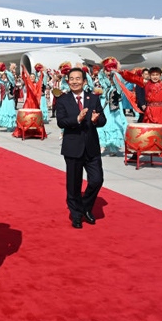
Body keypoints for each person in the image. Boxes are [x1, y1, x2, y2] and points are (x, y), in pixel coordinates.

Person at [55, 67, 107, 229]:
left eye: (78, 79)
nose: (75, 81)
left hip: (91, 147)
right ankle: (76, 215)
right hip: (73, 147)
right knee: (73, 185)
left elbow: (103, 120)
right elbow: (61, 122)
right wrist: (77, 118)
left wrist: (96, 120)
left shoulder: (93, 98)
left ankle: (85, 206)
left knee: (97, 180)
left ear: (84, 81)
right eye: (72, 79)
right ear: (68, 81)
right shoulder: (62, 100)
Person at [121, 65, 162, 169]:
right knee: (144, 133)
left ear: (160, 75)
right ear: (149, 75)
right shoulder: (145, 83)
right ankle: (135, 156)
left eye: (157, 75)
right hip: (149, 111)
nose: (155, 77)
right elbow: (132, 78)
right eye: (153, 75)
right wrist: (122, 72)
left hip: (161, 112)